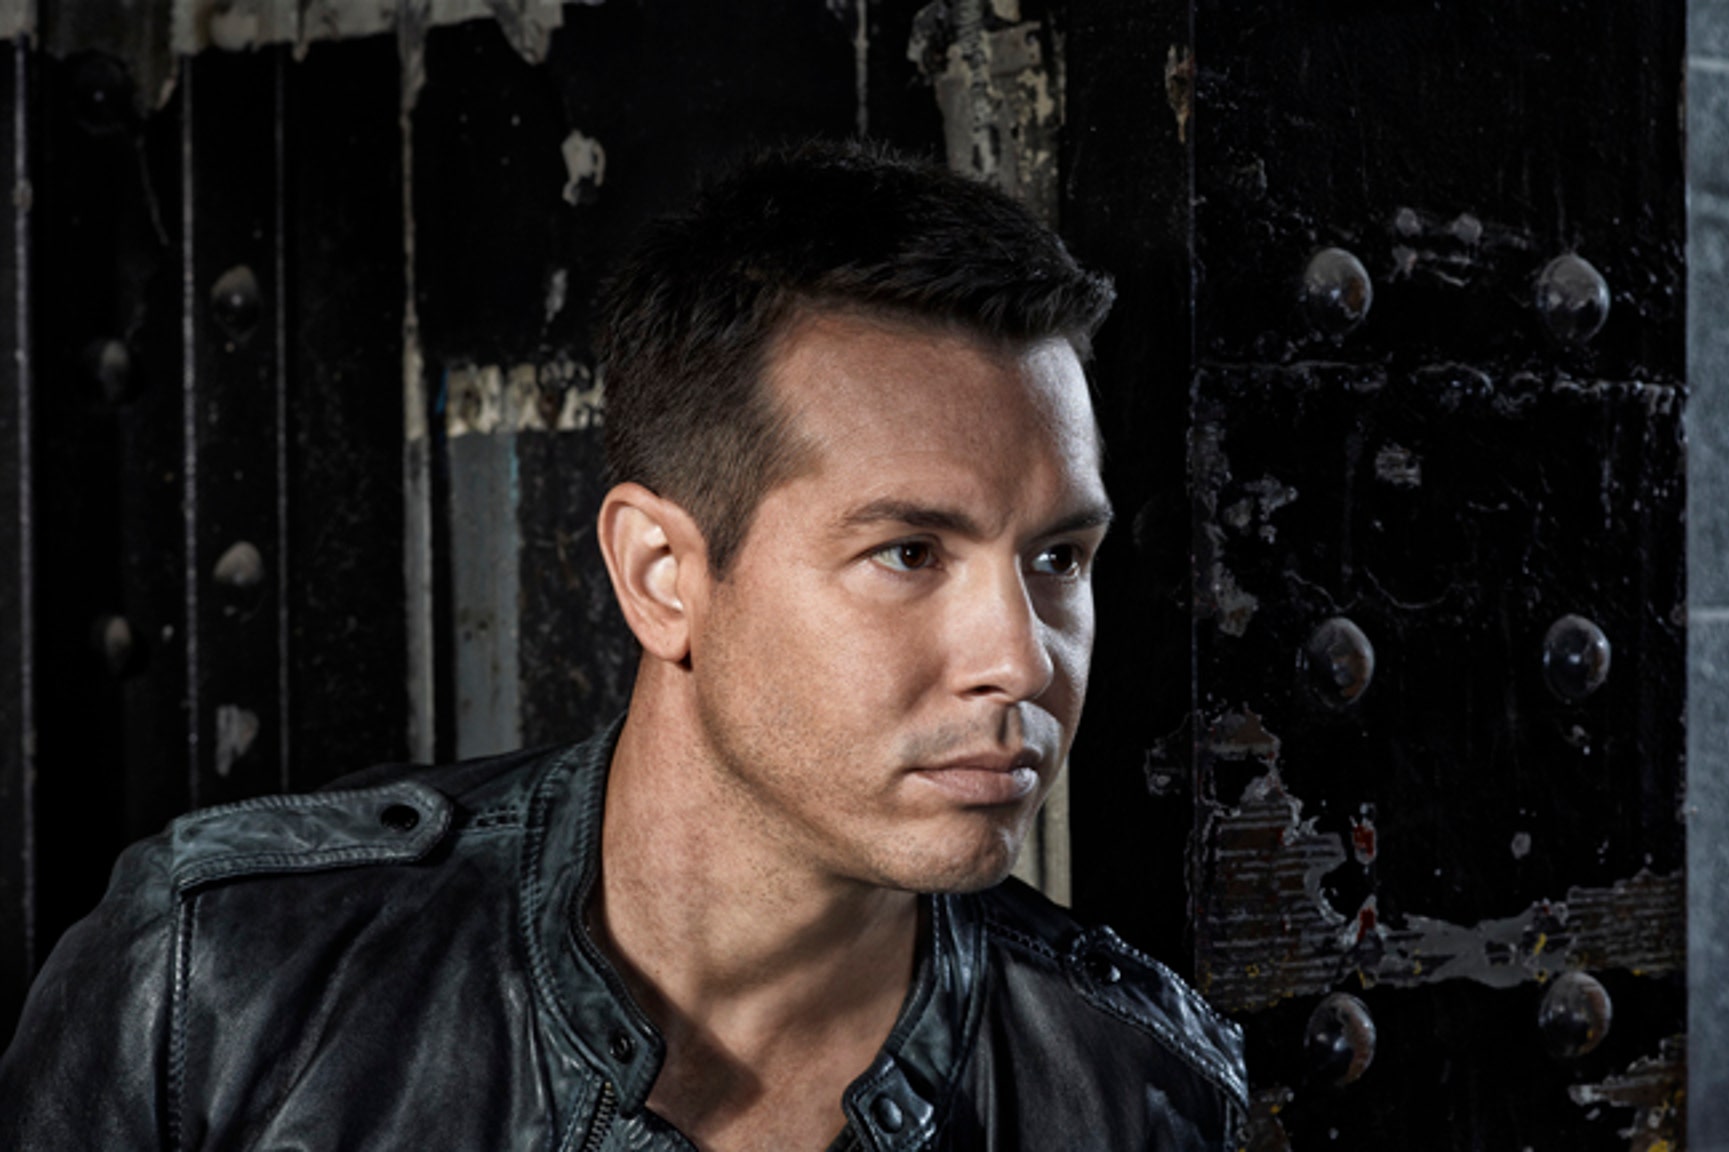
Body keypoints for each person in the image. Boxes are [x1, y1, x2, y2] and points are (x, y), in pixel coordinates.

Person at [0, 142, 1246, 1150]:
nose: (1021, 663)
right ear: (661, 575)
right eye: (908, 552)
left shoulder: (1135, 1092)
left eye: (1056, 560)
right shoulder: (217, 984)